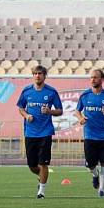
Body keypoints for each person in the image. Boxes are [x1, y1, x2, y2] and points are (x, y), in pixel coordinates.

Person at [16, 65, 63, 199]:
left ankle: (41, 191)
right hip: (30, 133)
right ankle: (41, 178)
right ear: (33, 75)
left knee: (43, 163)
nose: (37, 76)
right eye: (35, 73)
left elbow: (60, 110)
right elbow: (20, 107)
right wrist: (26, 116)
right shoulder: (26, 91)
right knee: (32, 165)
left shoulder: (51, 92)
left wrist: (50, 111)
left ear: (44, 75)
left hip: (45, 132)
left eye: (40, 73)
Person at [76, 69, 104, 198]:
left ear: (102, 79)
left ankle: (101, 189)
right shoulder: (85, 96)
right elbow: (77, 111)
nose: (93, 80)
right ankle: (95, 175)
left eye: (95, 77)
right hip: (89, 135)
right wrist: (80, 118)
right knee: (90, 164)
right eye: (91, 77)